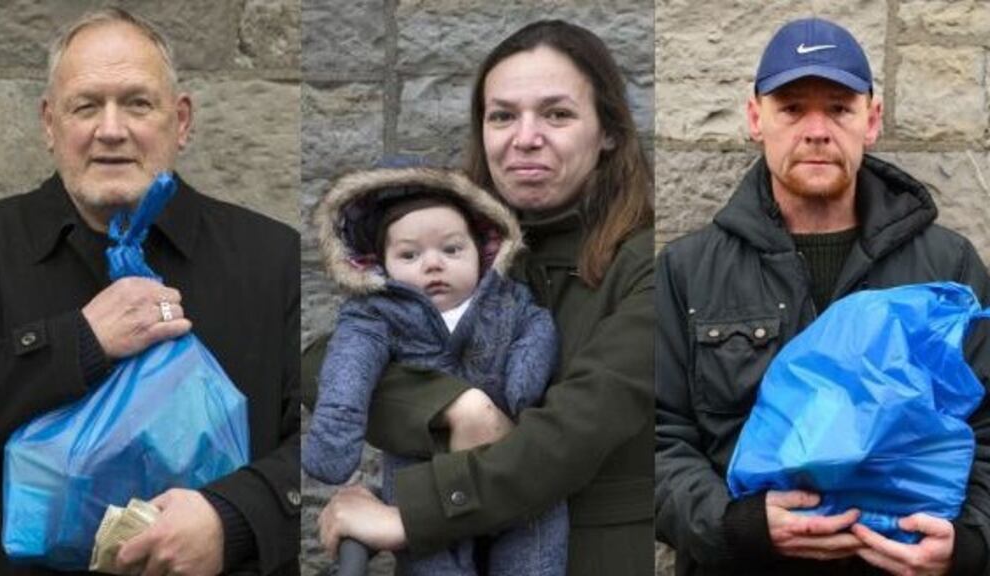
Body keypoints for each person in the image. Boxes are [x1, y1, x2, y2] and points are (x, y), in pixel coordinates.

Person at [304, 19, 655, 575]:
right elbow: (327, 358)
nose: (525, 137)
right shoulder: (449, 247)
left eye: (557, 114)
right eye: (502, 116)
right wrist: (451, 406)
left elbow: (580, 426)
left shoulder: (650, 266)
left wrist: (410, 517)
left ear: (608, 130)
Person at [0, 8, 299, 575]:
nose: (112, 129)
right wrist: (77, 343)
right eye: (86, 105)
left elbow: (329, 440)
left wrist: (233, 517)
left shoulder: (275, 259)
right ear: (50, 123)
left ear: (182, 120)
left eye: (138, 103)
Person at [655, 17, 990, 576]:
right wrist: (736, 526)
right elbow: (656, 439)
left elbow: (986, 426)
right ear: (755, 118)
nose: (816, 130)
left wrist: (971, 543)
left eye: (838, 108)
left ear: (872, 119)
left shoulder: (947, 268)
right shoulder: (687, 271)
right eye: (791, 109)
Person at [304, 166, 566, 575]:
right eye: (409, 255)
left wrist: (522, 386)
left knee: (535, 545)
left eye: (451, 249)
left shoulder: (509, 302)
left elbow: (539, 330)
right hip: (424, 483)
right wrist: (335, 435)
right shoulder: (377, 317)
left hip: (513, 463)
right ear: (379, 265)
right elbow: (345, 375)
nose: (433, 264)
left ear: (485, 249)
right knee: (434, 562)